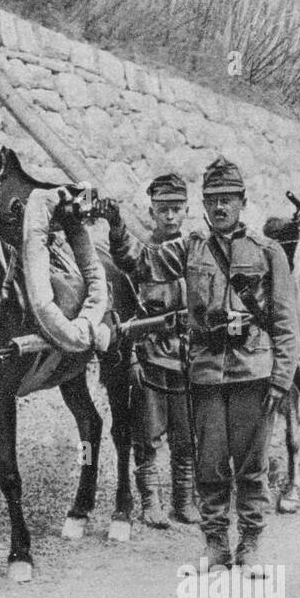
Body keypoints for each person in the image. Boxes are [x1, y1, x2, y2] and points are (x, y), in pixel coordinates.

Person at [100, 157, 299, 575]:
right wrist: (116, 225)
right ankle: (214, 545)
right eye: (212, 201)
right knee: (209, 467)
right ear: (204, 206)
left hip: (253, 374)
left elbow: (286, 323)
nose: (220, 208)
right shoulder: (190, 249)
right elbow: (143, 263)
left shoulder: (268, 253)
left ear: (242, 202)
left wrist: (281, 380)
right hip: (206, 374)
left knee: (251, 467)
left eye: (228, 200)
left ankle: (249, 546)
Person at [108, 173, 199, 526]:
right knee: (146, 433)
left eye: (176, 209)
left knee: (186, 432)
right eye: (163, 210)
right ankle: (151, 502)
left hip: (189, 355)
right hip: (151, 353)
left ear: (187, 210)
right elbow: (127, 259)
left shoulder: (197, 249)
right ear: (152, 211)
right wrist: (116, 226)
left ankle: (184, 500)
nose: (170, 216)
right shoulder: (144, 255)